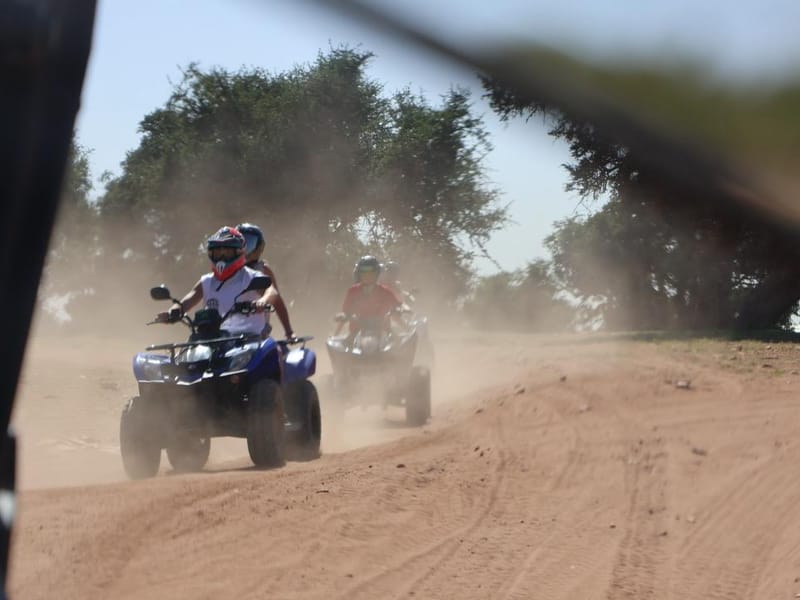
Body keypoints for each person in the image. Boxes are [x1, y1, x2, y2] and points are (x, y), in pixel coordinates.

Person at [157, 226, 275, 336]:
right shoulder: (207, 281)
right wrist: (173, 311)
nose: (222, 257)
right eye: (218, 252)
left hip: (249, 340)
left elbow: (272, 292)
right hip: (214, 341)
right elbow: (187, 300)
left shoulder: (251, 277)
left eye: (227, 252)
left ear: (239, 252)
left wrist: (262, 301)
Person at [235, 222, 295, 340]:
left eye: (249, 244)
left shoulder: (262, 270)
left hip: (257, 333)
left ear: (259, 247)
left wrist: (289, 332)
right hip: (229, 333)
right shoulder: (226, 271)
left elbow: (276, 300)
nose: (244, 249)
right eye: (240, 244)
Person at [335, 255, 401, 337]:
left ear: (377, 273)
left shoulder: (386, 291)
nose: (367, 275)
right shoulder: (352, 292)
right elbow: (345, 312)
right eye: (364, 272)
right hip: (356, 334)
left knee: (398, 341)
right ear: (359, 274)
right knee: (341, 343)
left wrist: (399, 310)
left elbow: (397, 305)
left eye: (371, 273)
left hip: (383, 333)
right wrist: (336, 334)